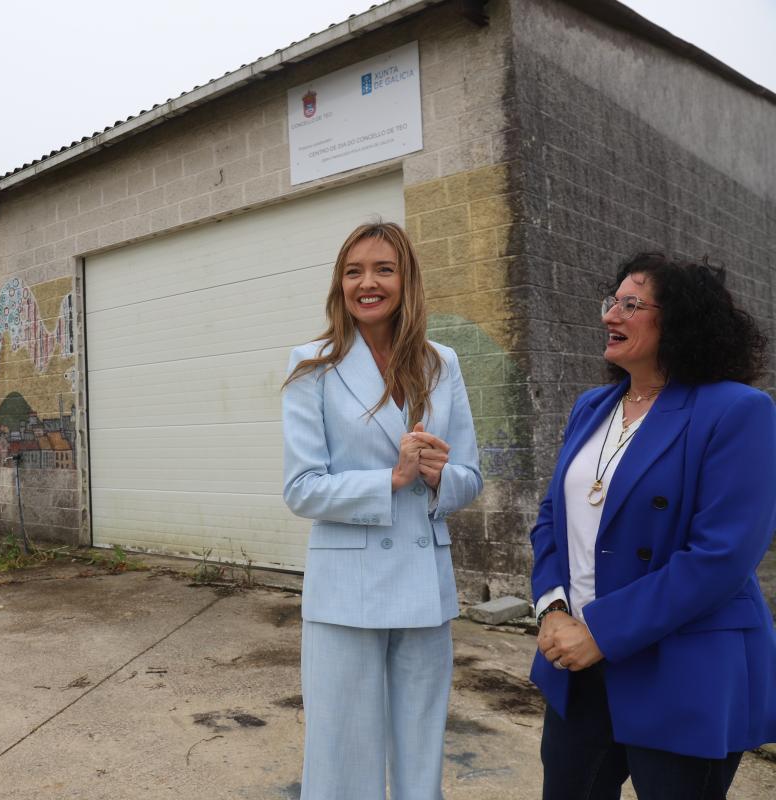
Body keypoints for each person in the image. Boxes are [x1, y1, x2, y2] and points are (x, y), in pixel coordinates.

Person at [530, 252, 776, 800]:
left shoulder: (738, 411)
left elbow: (722, 556)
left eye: (631, 304)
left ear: (680, 321)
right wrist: (551, 610)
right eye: (611, 302)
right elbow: (552, 518)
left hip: (682, 666)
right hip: (576, 662)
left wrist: (600, 632)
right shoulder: (591, 406)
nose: (609, 316)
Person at [282, 221, 482, 798]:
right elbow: (302, 488)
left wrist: (443, 477)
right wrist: (390, 480)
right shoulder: (312, 365)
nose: (367, 283)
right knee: (342, 750)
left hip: (424, 585)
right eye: (354, 271)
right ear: (339, 284)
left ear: (407, 280)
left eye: (383, 270)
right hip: (346, 588)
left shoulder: (442, 363)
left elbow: (470, 477)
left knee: (422, 754)